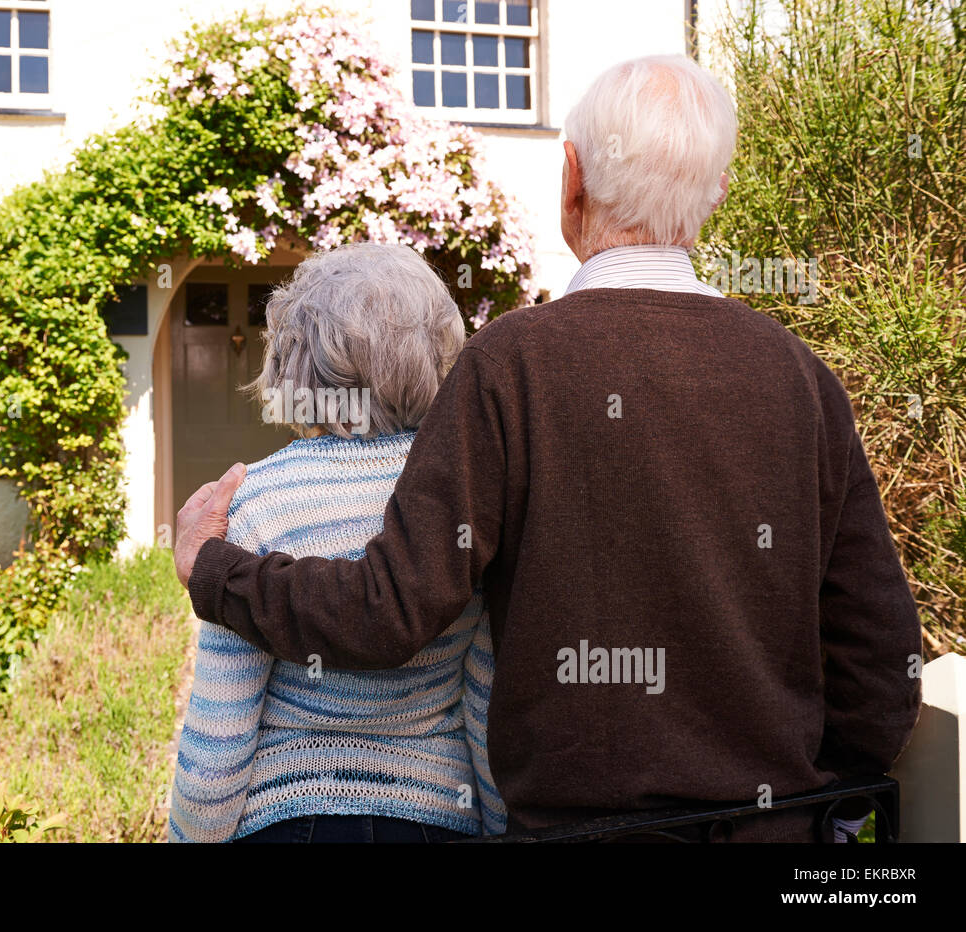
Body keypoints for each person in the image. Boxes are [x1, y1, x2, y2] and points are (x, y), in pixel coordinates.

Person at [173, 55, 923, 842]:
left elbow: (390, 611)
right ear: (716, 198)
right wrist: (822, 805)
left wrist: (217, 571)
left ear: (572, 178)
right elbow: (878, 653)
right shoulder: (801, 376)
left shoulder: (512, 364)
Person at [167, 243, 505, 843]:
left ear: (293, 359)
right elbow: (485, 697)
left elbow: (222, 732)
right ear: (438, 352)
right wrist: (500, 823)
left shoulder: (256, 500)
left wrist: (190, 836)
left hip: (287, 817)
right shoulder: (464, 501)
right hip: (435, 816)